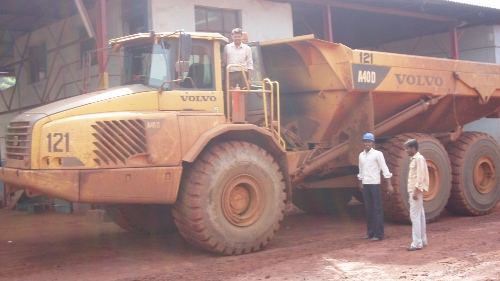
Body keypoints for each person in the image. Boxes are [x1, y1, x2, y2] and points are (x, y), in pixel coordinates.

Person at [357, 132, 394, 241]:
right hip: (366, 184)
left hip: (374, 184)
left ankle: (379, 234)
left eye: (369, 141)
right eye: (365, 142)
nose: (367, 144)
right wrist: (360, 182)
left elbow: (384, 168)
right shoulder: (361, 155)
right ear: (363, 143)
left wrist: (389, 184)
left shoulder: (377, 154)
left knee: (377, 209)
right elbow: (361, 170)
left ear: (373, 143)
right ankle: (370, 232)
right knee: (368, 209)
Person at [404, 139, 429, 251]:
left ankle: (417, 243)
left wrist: (416, 191)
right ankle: (422, 240)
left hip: (415, 191)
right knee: (420, 216)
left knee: (414, 217)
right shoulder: (416, 158)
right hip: (416, 190)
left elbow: (420, 176)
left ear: (413, 148)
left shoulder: (418, 159)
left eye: (407, 148)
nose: (406, 151)